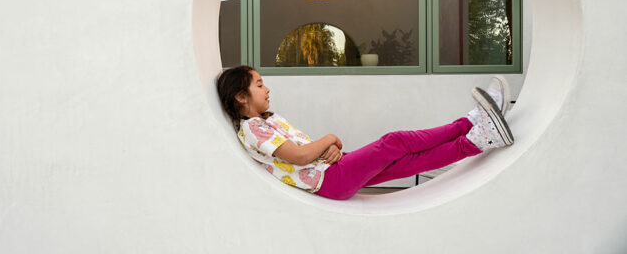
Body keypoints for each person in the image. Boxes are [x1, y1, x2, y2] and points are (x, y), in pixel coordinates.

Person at [216, 65, 513, 200]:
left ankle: (479, 138)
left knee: (408, 163)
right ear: (240, 96)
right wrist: (330, 138)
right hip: (331, 180)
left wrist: (329, 150)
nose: (266, 89)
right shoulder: (253, 130)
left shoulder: (267, 120)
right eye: (258, 85)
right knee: (394, 143)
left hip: (331, 169)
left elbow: (306, 154)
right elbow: (302, 154)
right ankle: (469, 124)